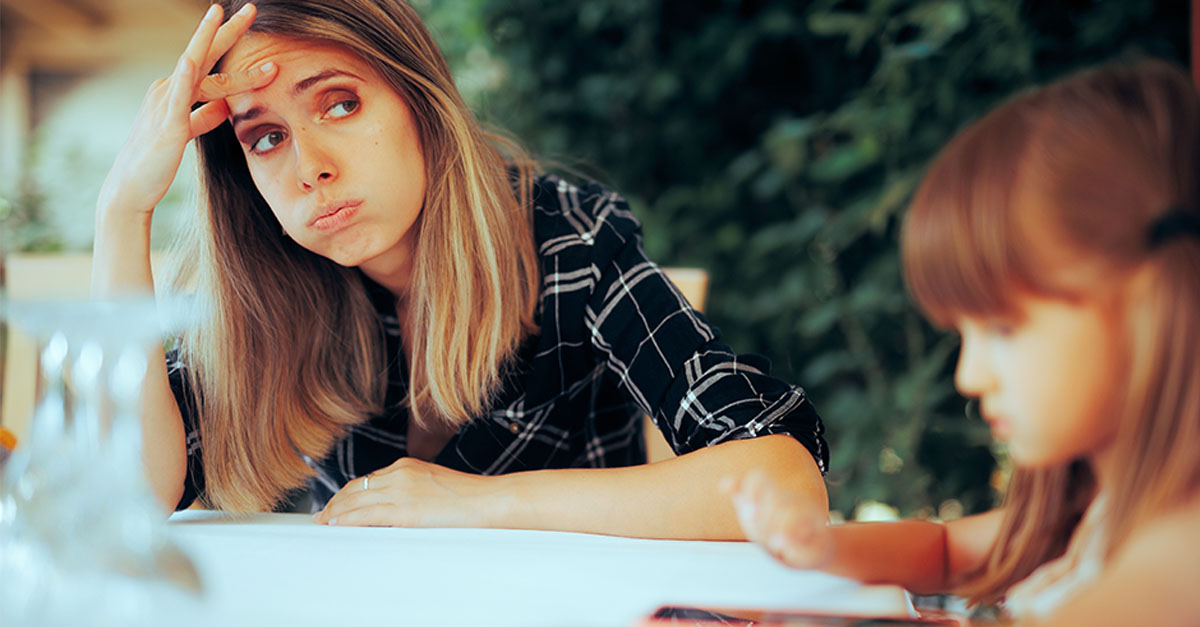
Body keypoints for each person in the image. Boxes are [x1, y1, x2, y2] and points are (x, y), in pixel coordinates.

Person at [91, 0, 828, 540]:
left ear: (419, 100)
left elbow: (783, 481)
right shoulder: (267, 291)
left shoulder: (567, 239)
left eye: (340, 103)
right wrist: (122, 210)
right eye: (266, 138)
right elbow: (124, 498)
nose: (309, 166)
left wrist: (476, 503)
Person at [722, 59, 1200, 623]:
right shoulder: (1101, 511)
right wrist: (821, 546)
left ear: (1153, 300)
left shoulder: (1169, 573)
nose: (969, 376)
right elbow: (945, 550)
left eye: (1003, 327)